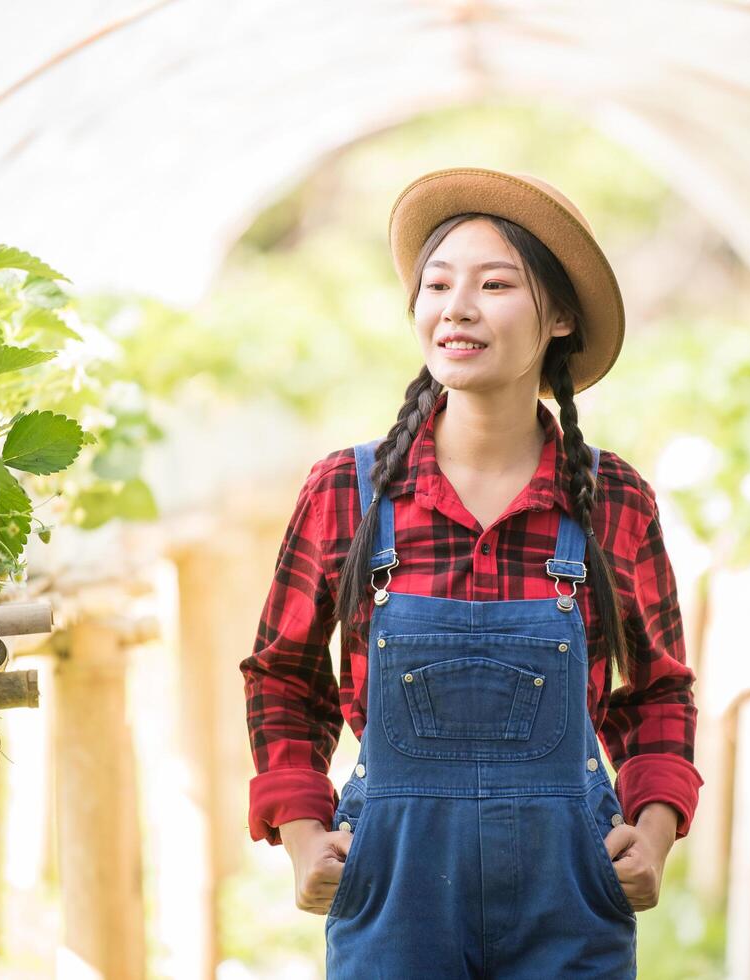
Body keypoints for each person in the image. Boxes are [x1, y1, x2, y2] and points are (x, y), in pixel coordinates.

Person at [240, 167, 702, 977]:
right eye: (437, 284)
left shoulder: (612, 499)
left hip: (568, 894)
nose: (456, 307)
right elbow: (281, 675)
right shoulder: (348, 494)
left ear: (559, 316)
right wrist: (303, 833)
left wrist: (655, 830)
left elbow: (658, 688)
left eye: (495, 284)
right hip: (392, 891)